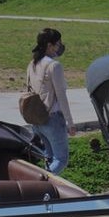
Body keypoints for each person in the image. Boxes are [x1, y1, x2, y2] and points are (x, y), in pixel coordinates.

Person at [26, 28, 75, 175]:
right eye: (58, 44)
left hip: (37, 119)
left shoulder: (32, 64)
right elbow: (61, 95)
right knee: (61, 159)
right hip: (52, 118)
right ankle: (40, 184)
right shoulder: (54, 66)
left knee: (49, 157)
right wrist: (70, 122)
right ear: (49, 45)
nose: (60, 47)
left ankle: (46, 186)